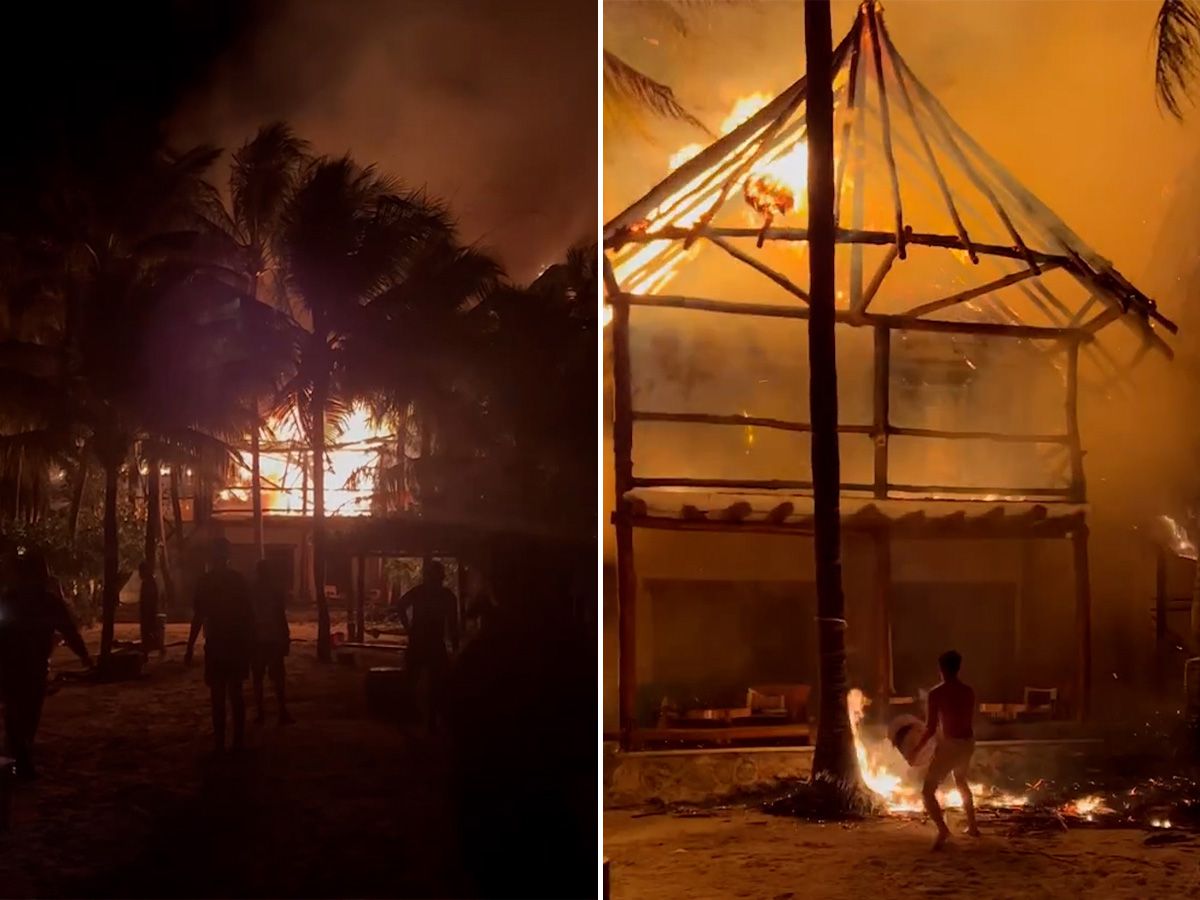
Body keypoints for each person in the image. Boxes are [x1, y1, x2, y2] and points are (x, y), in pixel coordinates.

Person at [0, 550, 93, 779]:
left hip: (14, 666)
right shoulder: (48, 602)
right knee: (26, 714)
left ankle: (19, 758)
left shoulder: (10, 600)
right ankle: (21, 760)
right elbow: (69, 631)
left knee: (16, 714)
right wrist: (85, 656)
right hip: (29, 667)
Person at [185, 538, 255, 754]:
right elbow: (248, 617)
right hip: (236, 645)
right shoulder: (238, 581)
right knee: (236, 694)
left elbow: (198, 616)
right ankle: (238, 741)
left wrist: (190, 647)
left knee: (217, 695)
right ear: (228, 556)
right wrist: (251, 646)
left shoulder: (205, 582)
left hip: (216, 645)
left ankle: (219, 743)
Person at [913, 649, 979, 850]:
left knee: (927, 791)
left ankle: (943, 830)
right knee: (960, 781)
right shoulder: (968, 691)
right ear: (958, 667)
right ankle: (973, 827)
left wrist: (917, 748)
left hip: (951, 746)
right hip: (967, 743)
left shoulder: (936, 693)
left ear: (940, 668)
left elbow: (931, 727)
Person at [396, 560, 458, 732]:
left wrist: (408, 627)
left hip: (421, 640)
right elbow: (453, 624)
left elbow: (400, 606)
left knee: (416, 680)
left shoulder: (421, 592)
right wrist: (455, 645)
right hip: (431, 642)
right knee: (433, 682)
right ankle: (427, 719)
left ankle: (413, 718)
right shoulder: (446, 596)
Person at [251, 559, 293, 726]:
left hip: (258, 640)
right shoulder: (276, 590)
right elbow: (281, 615)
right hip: (273, 639)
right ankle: (282, 711)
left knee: (258, 678)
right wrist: (286, 637)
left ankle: (261, 713)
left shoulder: (253, 591)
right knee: (278, 678)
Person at [137, 559, 161, 655]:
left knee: (148, 632)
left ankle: (150, 649)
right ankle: (154, 647)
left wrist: (146, 613)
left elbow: (149, 599)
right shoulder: (148, 581)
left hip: (148, 612)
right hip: (148, 612)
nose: (139, 574)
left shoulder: (149, 583)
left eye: (140, 571)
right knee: (151, 631)